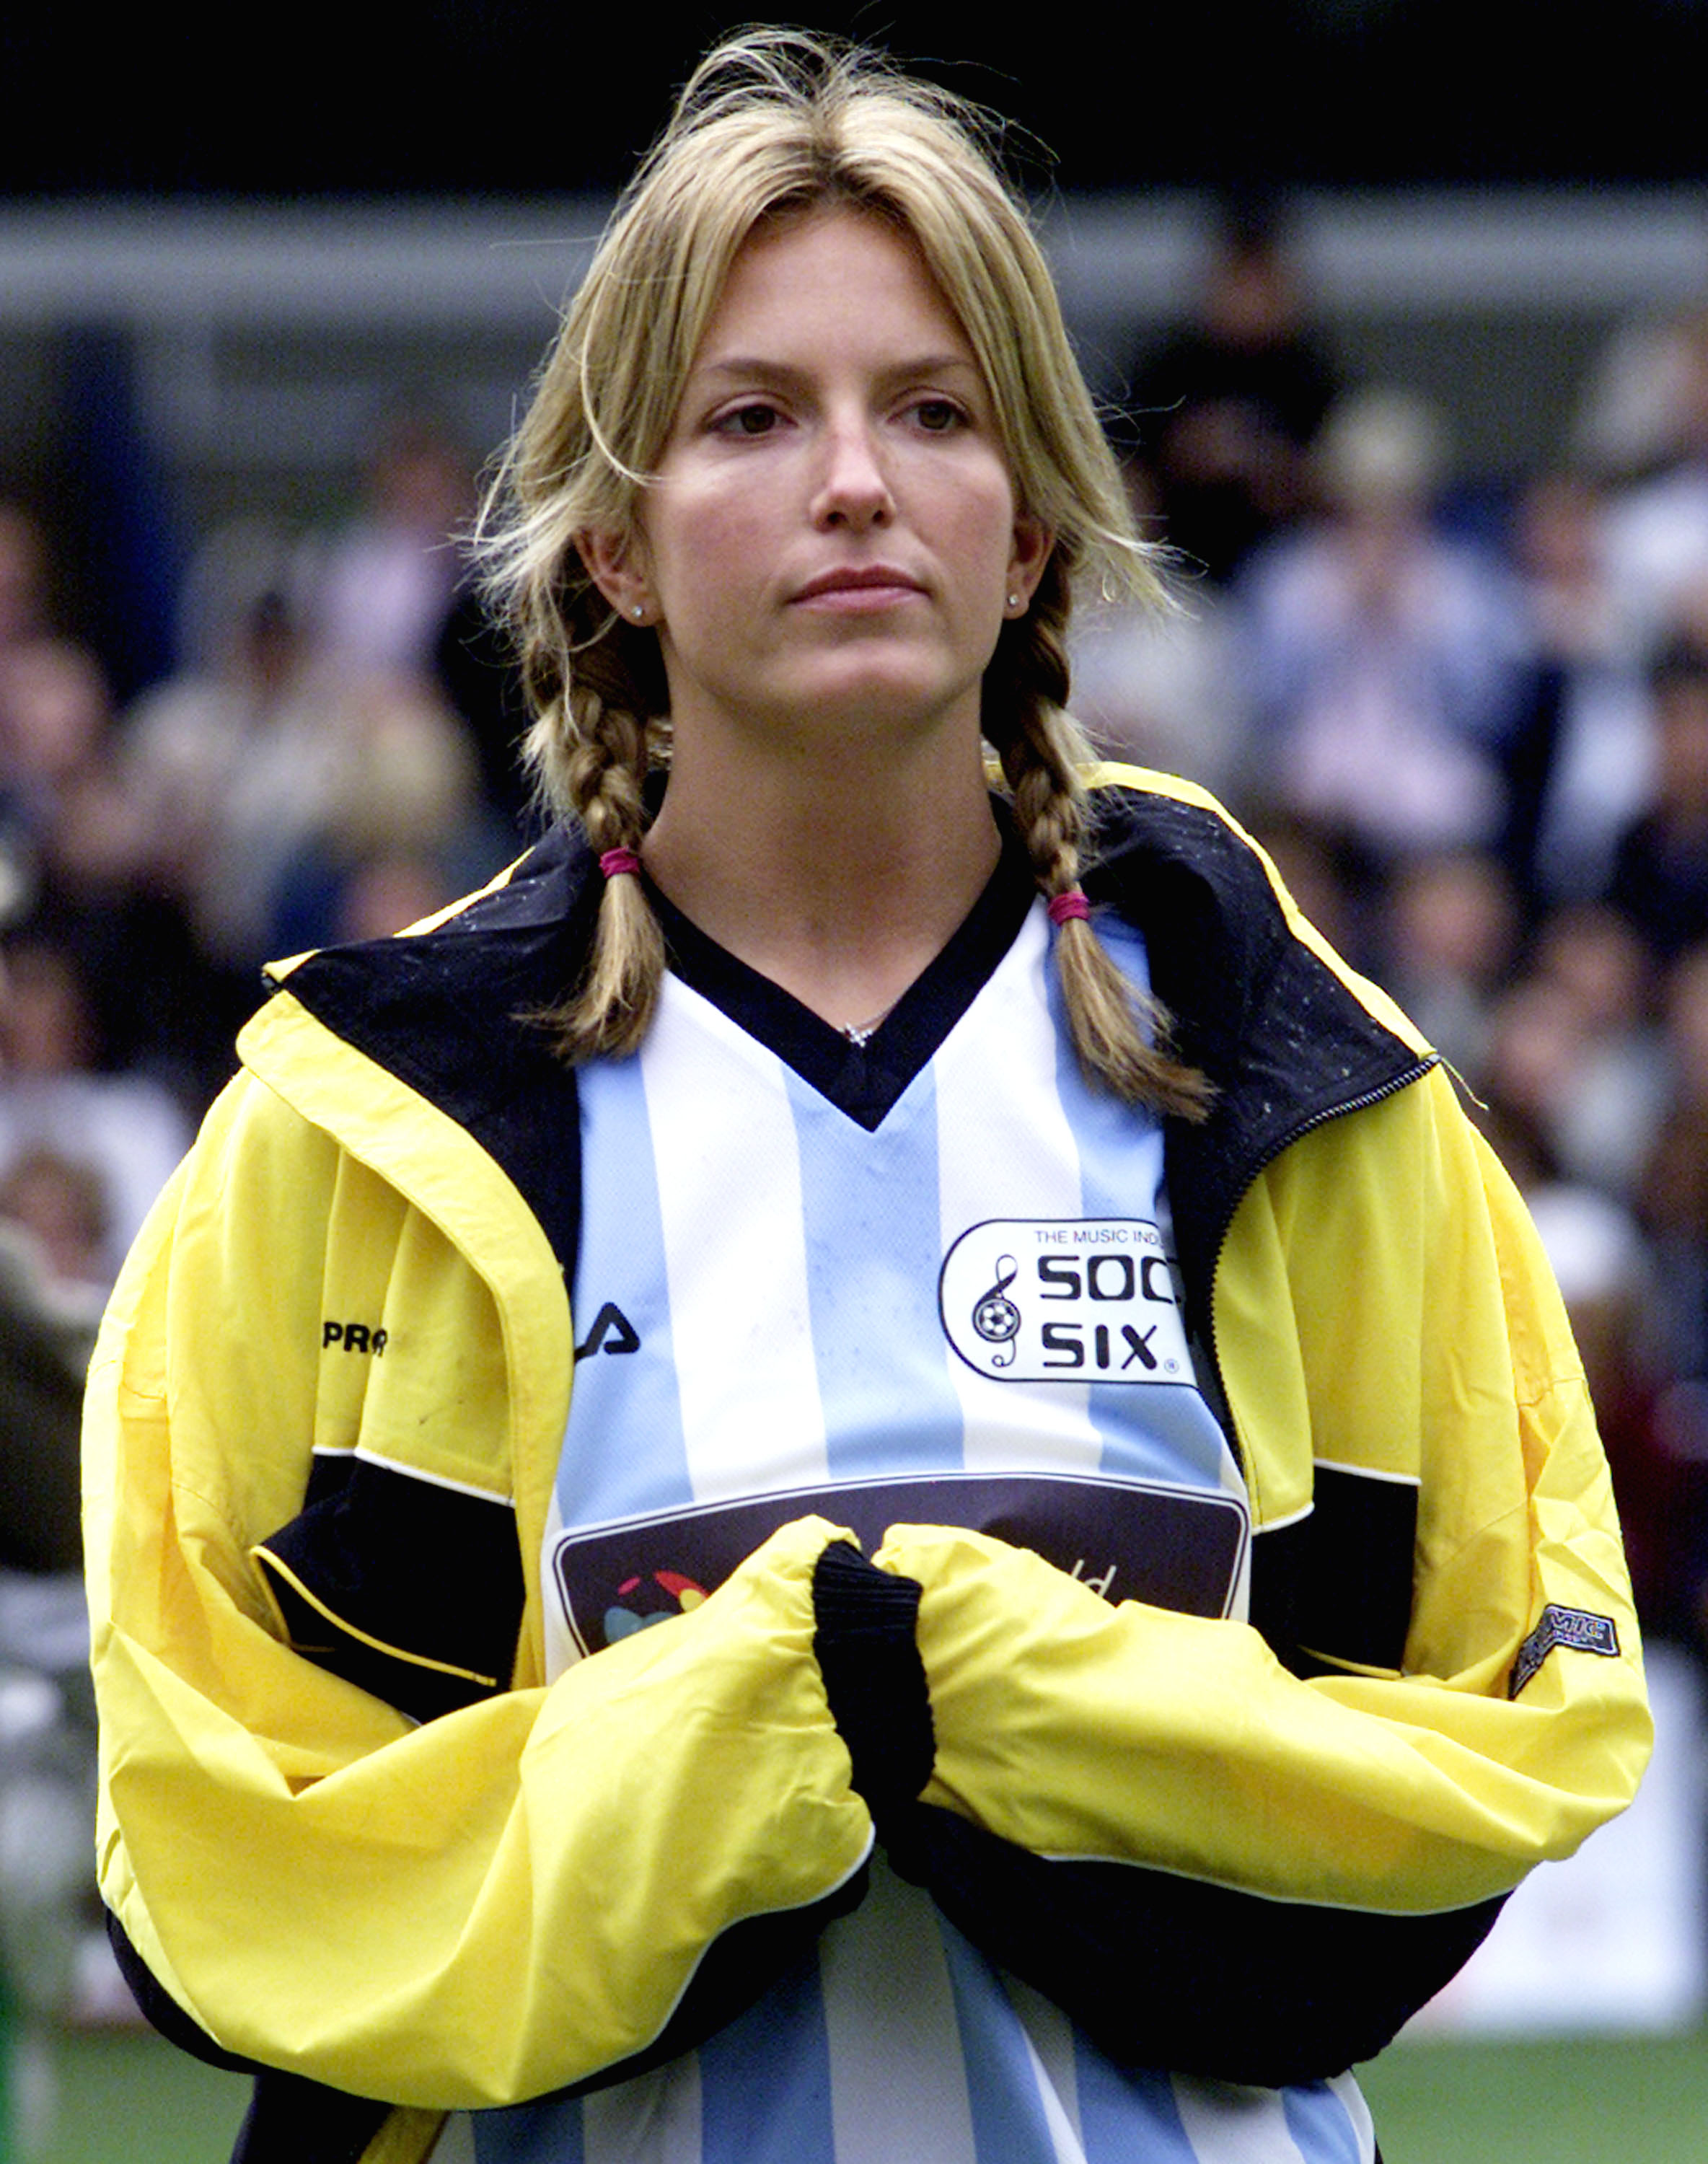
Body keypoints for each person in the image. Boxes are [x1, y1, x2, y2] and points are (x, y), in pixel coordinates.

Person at [84, 32, 1652, 2164]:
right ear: (616, 544)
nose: (855, 480)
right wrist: (782, 1717)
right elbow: (227, 1864)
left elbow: (1514, 1728)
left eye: (933, 411)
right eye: (753, 417)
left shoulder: (1302, 1071)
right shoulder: (351, 1128)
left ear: (1026, 533)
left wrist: (966, 1681)